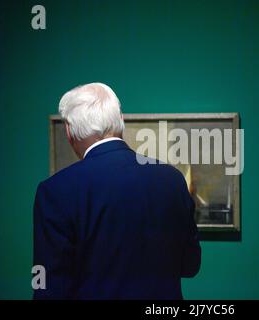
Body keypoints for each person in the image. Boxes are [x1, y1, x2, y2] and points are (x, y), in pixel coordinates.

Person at [33, 83, 201, 299]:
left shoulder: (55, 191)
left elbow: (47, 286)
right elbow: (190, 265)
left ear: (68, 131)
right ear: (120, 120)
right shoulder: (172, 179)